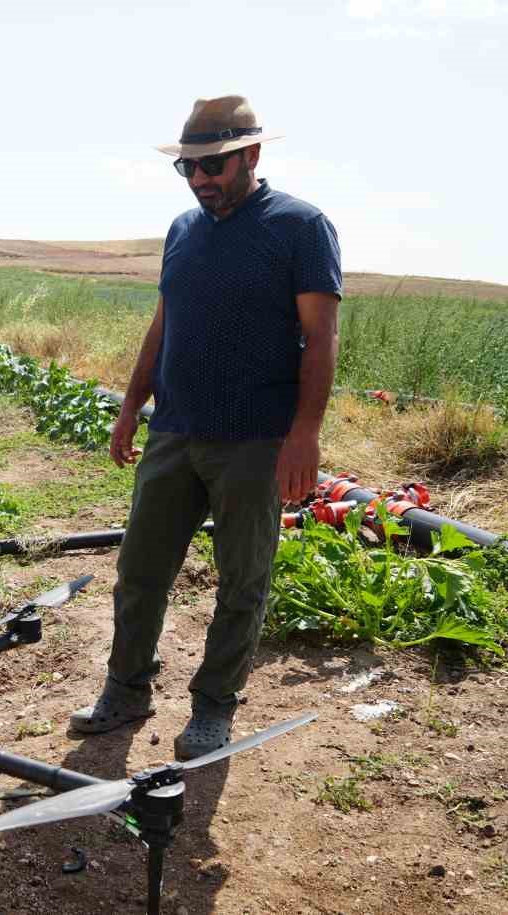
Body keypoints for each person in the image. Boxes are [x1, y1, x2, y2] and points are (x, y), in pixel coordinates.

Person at [68, 96, 342, 760]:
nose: (200, 180)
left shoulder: (301, 227)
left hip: (252, 439)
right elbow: (165, 324)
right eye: (188, 169)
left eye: (212, 166)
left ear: (251, 155)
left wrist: (303, 434)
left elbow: (321, 336)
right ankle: (126, 689)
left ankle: (215, 707)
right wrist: (133, 403)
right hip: (176, 430)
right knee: (140, 569)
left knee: (241, 578)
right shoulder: (183, 231)